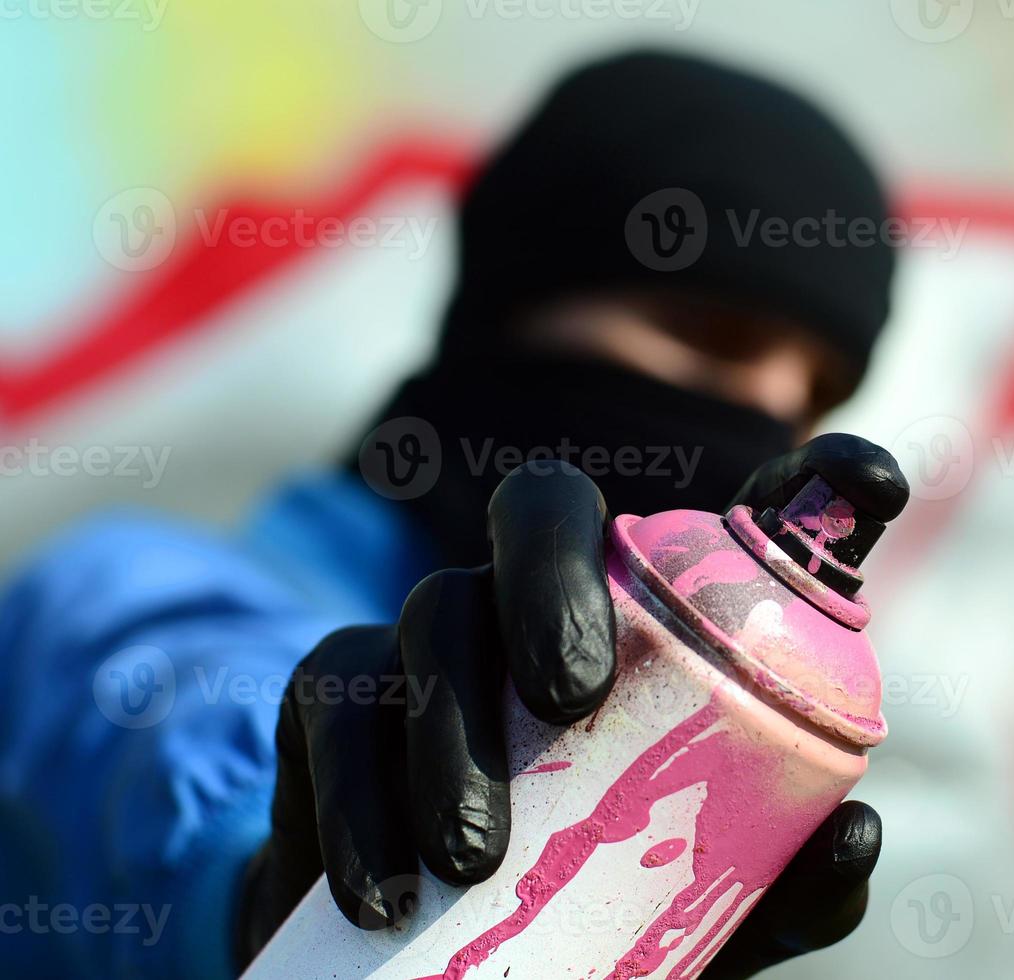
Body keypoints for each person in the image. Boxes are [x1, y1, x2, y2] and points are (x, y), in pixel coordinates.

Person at [0, 50, 907, 978]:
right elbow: (160, 752)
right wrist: (277, 893)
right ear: (513, 307)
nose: (768, 416)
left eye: (815, 396)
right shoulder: (113, 599)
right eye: (714, 337)